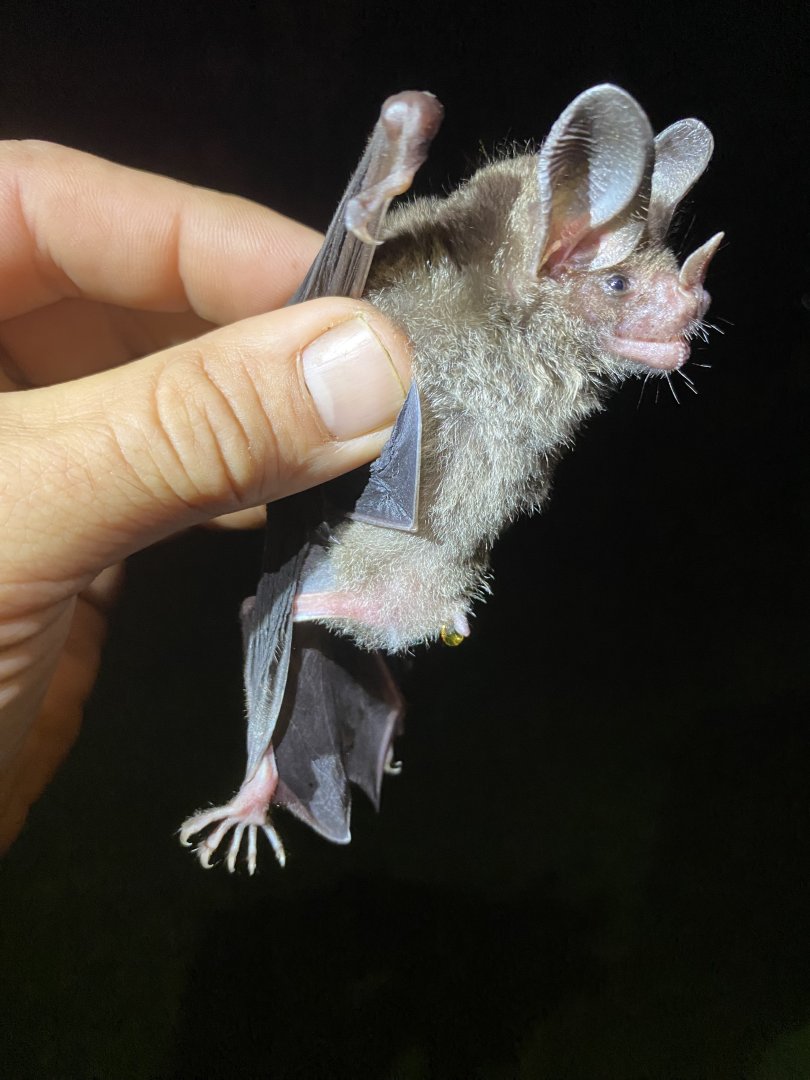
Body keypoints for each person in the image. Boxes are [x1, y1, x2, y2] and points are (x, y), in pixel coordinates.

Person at [0, 140, 413, 851]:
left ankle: (280, 758)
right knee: (293, 589)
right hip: (345, 530)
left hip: (364, 518)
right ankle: (263, 772)